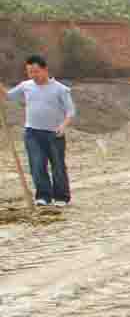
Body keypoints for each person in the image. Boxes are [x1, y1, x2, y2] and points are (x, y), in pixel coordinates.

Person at [6, 55, 75, 207]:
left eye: (36, 71)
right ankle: (43, 196)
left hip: (54, 133)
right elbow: (8, 96)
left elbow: (70, 112)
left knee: (58, 166)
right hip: (32, 133)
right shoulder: (26, 86)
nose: (33, 75)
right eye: (30, 72)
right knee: (37, 166)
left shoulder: (60, 89)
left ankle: (61, 197)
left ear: (45, 70)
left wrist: (63, 126)